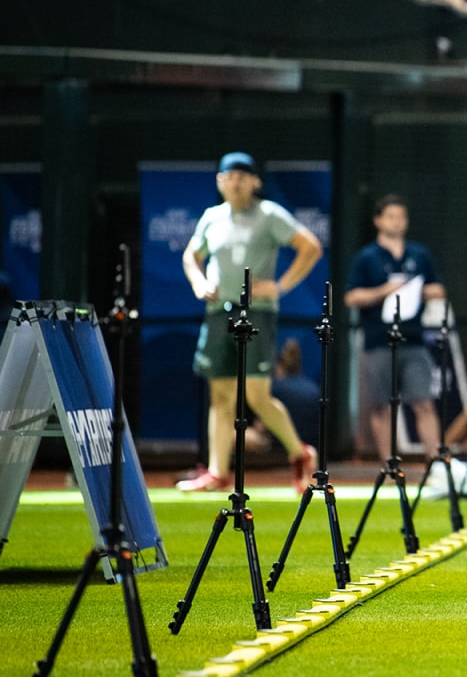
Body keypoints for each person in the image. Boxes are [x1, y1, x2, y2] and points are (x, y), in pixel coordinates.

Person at [178, 152, 322, 494]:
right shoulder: (212, 217)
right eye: (230, 175)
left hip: (256, 311)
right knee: (221, 394)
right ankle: (217, 471)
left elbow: (310, 247)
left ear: (255, 181)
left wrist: (281, 285)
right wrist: (199, 283)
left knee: (256, 395)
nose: (237, 181)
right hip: (217, 313)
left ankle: (299, 453)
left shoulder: (269, 214)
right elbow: (190, 256)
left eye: (244, 175)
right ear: (220, 181)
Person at [345, 194, 447, 461]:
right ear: (378, 221)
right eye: (391, 216)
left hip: (413, 339)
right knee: (382, 406)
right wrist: (384, 291)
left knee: (424, 402)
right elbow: (351, 296)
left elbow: (438, 289)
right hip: (379, 340)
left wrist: (415, 291)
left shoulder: (419, 254)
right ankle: (389, 465)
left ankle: (435, 462)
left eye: (401, 217)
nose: (397, 222)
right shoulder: (367, 257)